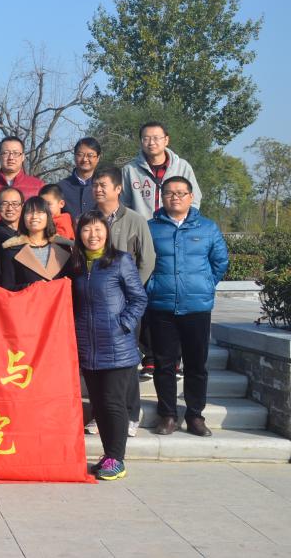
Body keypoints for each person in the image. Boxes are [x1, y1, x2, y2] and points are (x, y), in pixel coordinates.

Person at [68, 211, 148, 481]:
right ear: (79, 234)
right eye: (86, 230)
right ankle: (108, 454)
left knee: (114, 403)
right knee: (99, 404)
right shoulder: (76, 266)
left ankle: (117, 459)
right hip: (88, 347)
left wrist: (123, 325)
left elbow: (139, 298)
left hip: (117, 347)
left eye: (98, 229)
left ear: (107, 232)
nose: (93, 235)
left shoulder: (120, 261)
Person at [146, 177, 229, 437]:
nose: (175, 197)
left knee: (196, 365)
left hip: (196, 307)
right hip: (161, 306)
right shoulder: (150, 228)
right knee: (164, 364)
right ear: (162, 197)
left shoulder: (207, 228)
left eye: (181, 193)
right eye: (170, 193)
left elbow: (220, 262)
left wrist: (204, 284)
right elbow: (141, 262)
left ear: (191, 197)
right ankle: (168, 414)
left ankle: (195, 415)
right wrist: (152, 286)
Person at [93, 167, 157, 382]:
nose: (98, 189)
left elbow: (147, 259)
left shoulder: (136, 220)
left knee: (125, 352)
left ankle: (127, 400)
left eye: (103, 185)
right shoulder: (85, 219)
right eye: (95, 185)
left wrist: (131, 289)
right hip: (96, 301)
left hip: (125, 300)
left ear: (118, 189)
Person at [121, 122, 202, 220]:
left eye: (156, 138)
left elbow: (194, 200)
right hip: (141, 228)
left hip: (174, 227)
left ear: (166, 140)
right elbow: (123, 204)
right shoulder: (130, 170)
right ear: (141, 142)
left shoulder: (182, 167)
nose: (151, 143)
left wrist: (183, 223)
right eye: (146, 139)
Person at [0, 196, 71, 291]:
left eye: (40, 212)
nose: (34, 217)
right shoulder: (12, 250)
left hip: (59, 300)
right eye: (29, 212)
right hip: (28, 300)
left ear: (48, 216)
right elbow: (7, 288)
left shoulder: (63, 247)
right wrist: (30, 287)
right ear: (23, 217)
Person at [0, 136, 45, 230]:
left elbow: (46, 217)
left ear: (23, 157)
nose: (11, 157)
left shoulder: (38, 186)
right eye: (6, 153)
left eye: (16, 153)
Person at [59, 137, 101, 223]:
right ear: (74, 156)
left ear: (98, 158)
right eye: (80, 155)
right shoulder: (60, 187)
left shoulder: (104, 187)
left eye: (90, 155)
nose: (85, 159)